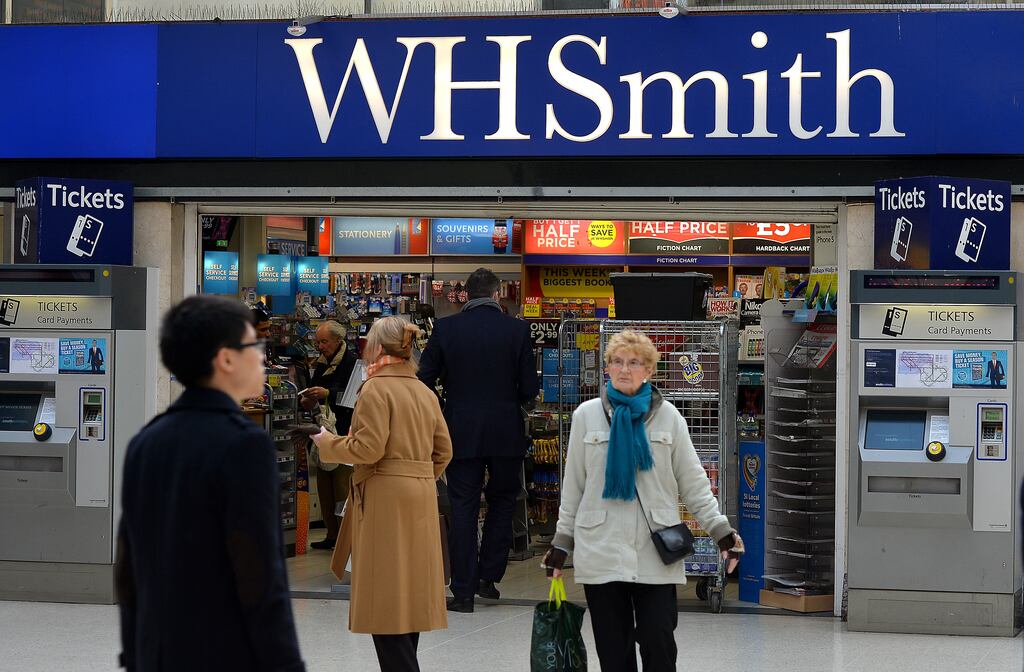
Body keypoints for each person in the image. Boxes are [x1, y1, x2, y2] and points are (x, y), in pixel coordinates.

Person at [115, 295, 304, 672]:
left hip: (159, 651)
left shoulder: (146, 440)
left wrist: (134, 653)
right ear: (226, 358)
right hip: (225, 651)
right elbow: (260, 576)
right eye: (254, 345)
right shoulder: (244, 444)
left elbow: (128, 567)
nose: (263, 356)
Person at [543, 329, 743, 672]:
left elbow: (694, 484)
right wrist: (561, 543)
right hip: (601, 549)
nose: (624, 369)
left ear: (649, 370)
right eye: (617, 362)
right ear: (606, 368)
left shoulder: (669, 418)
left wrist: (722, 532)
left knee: (658, 640)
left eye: (634, 363)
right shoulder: (585, 417)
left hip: (655, 551)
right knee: (614, 652)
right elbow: (573, 487)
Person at [311, 316, 452, 672]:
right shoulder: (424, 391)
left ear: (376, 347)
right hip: (420, 494)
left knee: (384, 599)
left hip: (383, 497)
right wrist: (418, 477)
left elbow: (368, 448)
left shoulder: (374, 388)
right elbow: (444, 451)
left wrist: (327, 443)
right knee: (410, 595)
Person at [418, 267, 539, 613]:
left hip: (459, 430)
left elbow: (423, 378)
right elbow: (529, 389)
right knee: (503, 500)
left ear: (466, 294)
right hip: (505, 431)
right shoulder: (517, 330)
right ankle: (489, 577)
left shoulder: (446, 328)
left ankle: (463, 592)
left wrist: (446, 407)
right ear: (497, 293)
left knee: (463, 507)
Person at [301, 320, 359, 550]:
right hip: (323, 431)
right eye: (317, 342)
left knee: (341, 487)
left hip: (344, 432)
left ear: (338, 339)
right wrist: (309, 399)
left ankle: (345, 536)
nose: (320, 346)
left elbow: (356, 396)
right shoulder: (322, 363)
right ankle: (332, 534)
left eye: (324, 341)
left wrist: (327, 393)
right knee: (325, 486)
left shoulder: (352, 363)